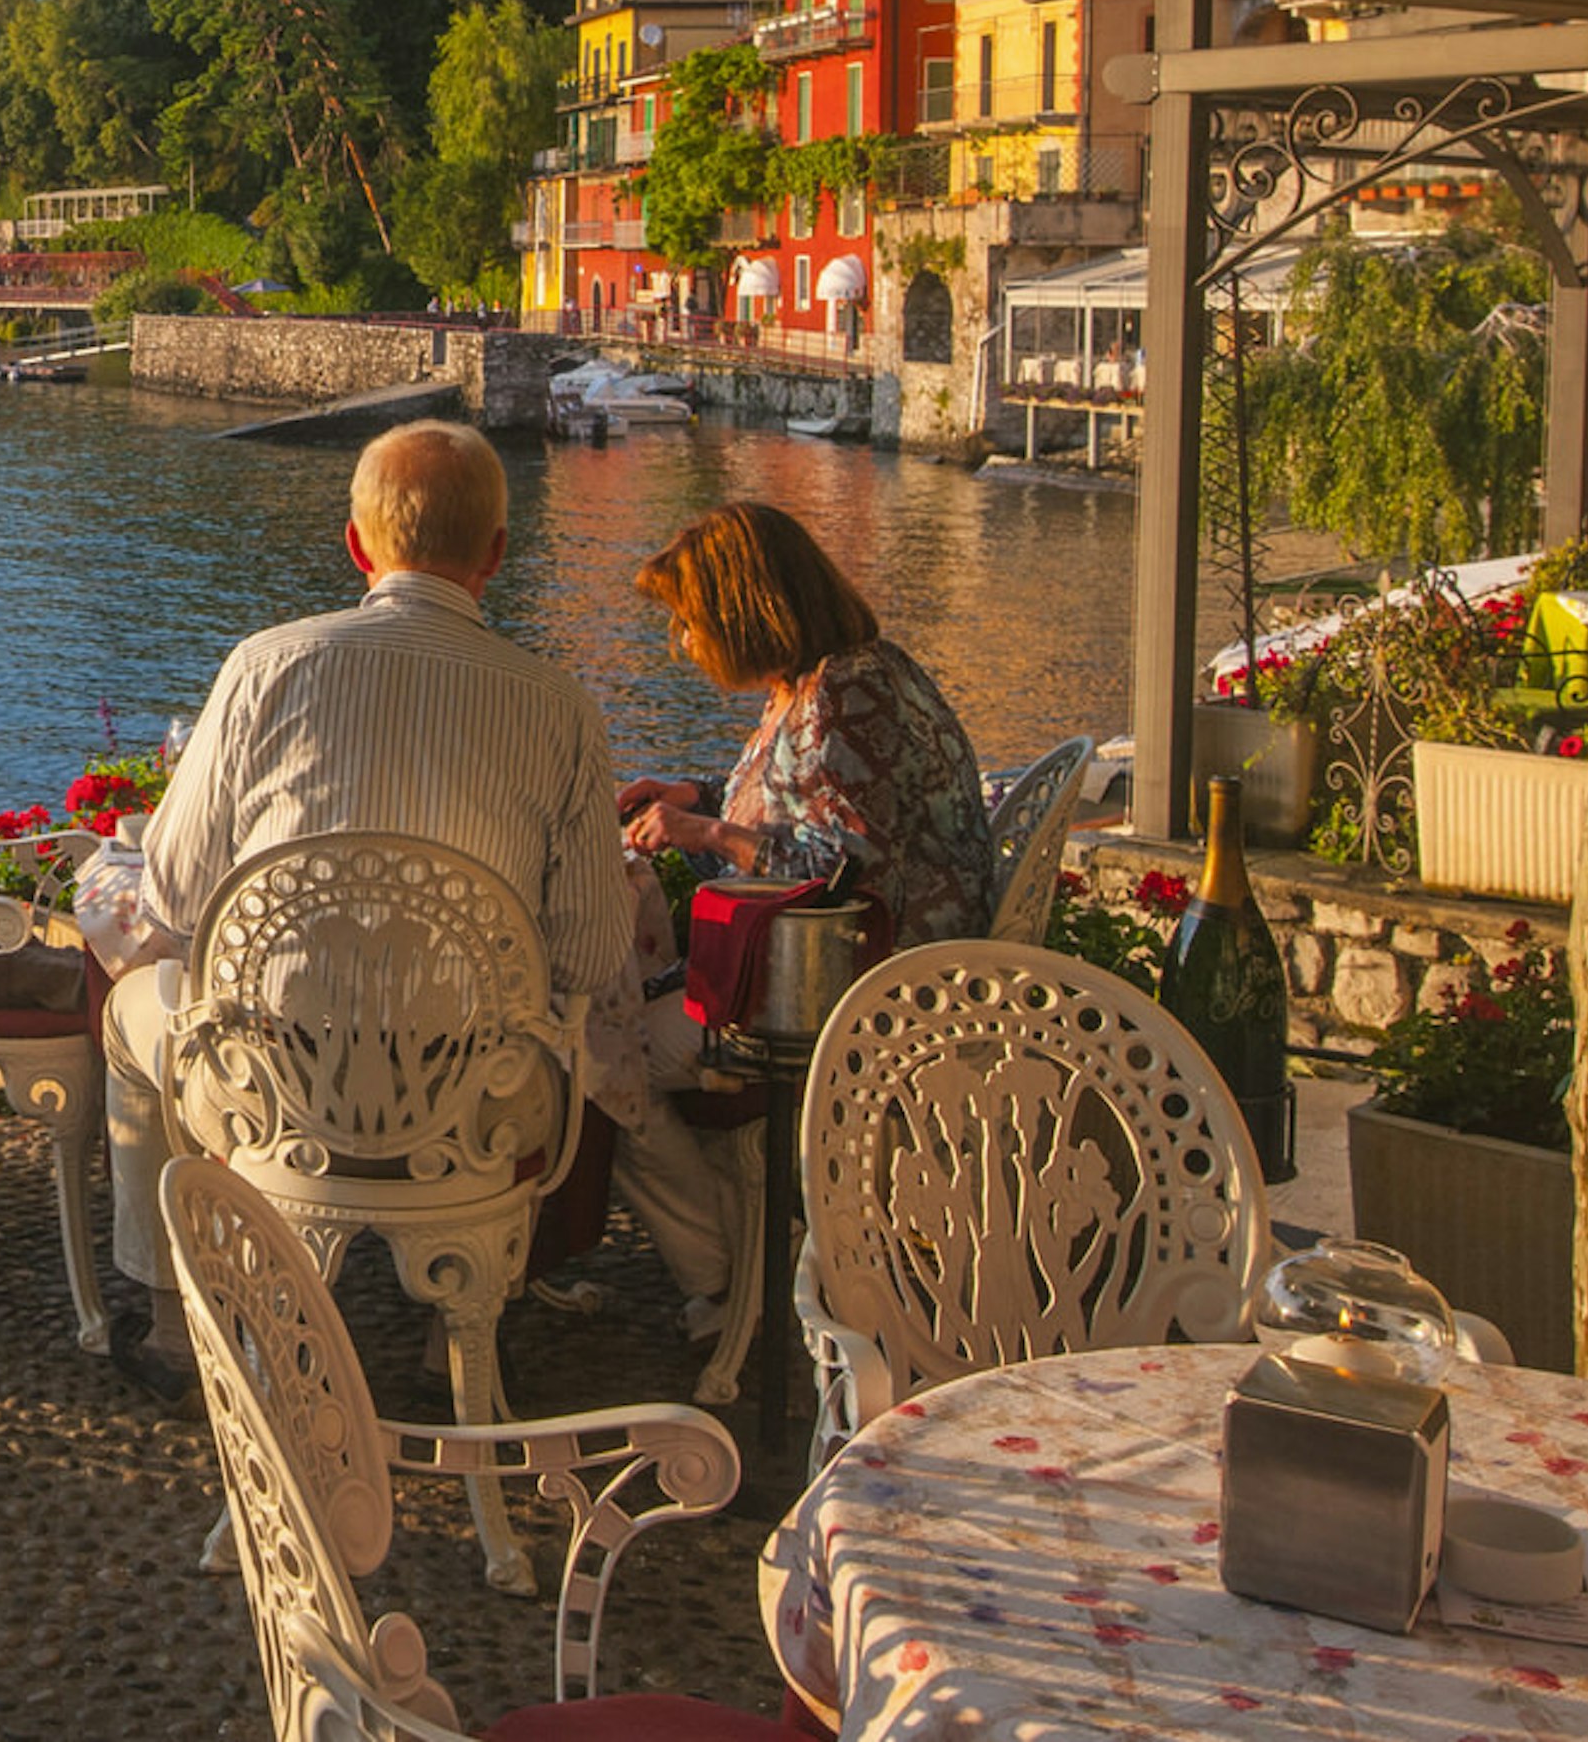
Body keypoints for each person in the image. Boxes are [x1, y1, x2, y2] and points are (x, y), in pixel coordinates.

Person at [97, 421, 634, 1401]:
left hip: (274, 1089)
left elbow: (171, 893)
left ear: (356, 546)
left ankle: (178, 1325)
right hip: (476, 1105)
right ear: (497, 557)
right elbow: (594, 952)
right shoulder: (560, 707)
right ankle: (454, 1341)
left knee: (132, 1011)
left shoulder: (265, 668)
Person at [618, 500, 995, 947]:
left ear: (740, 616)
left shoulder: (847, 694)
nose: (683, 639)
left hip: (882, 972)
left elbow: (847, 884)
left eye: (689, 620)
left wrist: (708, 833)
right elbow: (804, 801)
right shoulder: (813, 680)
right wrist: (695, 797)